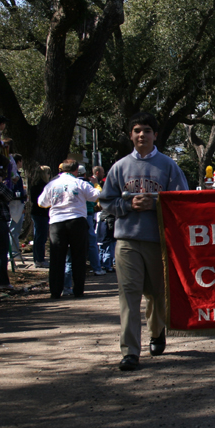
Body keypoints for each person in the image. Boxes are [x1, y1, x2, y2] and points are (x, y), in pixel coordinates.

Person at [100, 112, 188, 371]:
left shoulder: (168, 166)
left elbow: (181, 203)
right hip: (127, 240)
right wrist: (127, 205)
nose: (142, 135)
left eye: (147, 130)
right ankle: (130, 352)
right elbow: (106, 202)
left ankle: (157, 331)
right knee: (129, 296)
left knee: (157, 294)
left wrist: (156, 203)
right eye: (137, 130)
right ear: (131, 135)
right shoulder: (119, 167)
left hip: (158, 241)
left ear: (155, 135)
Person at [38, 160, 100, 299]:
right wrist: (95, 184)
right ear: (76, 171)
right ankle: (78, 289)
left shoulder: (52, 184)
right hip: (77, 220)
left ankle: (55, 290)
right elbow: (95, 196)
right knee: (79, 256)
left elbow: (42, 202)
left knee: (57, 257)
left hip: (57, 222)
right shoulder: (80, 183)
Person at [29, 165, 52, 268]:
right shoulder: (43, 186)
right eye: (48, 173)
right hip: (41, 213)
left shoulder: (34, 185)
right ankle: (39, 259)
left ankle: (37, 258)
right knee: (41, 237)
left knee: (38, 236)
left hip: (36, 213)